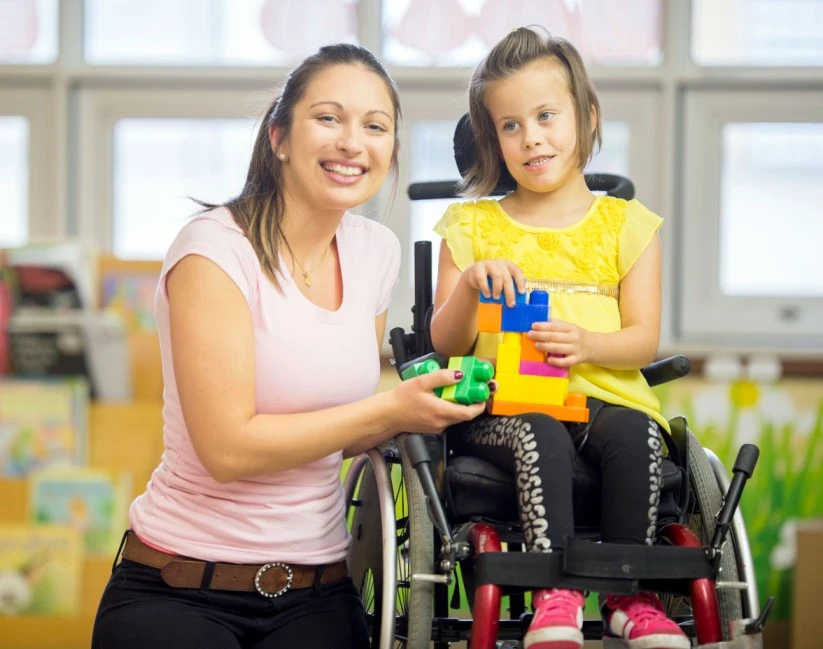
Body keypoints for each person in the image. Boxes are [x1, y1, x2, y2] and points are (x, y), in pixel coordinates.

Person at [91, 43, 485, 649]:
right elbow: (227, 447)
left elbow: (334, 427)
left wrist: (423, 409)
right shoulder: (214, 250)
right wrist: (390, 410)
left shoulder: (373, 252)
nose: (353, 142)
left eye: (375, 126)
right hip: (181, 584)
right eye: (328, 118)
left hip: (317, 593)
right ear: (278, 136)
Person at [430, 27, 690, 649]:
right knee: (539, 428)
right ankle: (557, 594)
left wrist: (588, 345)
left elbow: (641, 340)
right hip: (504, 406)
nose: (532, 137)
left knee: (635, 430)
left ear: (586, 116)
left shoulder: (629, 225)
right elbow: (443, 347)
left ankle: (633, 597)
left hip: (608, 400)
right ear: (491, 137)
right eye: (510, 125)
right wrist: (469, 284)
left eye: (546, 116)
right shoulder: (470, 225)